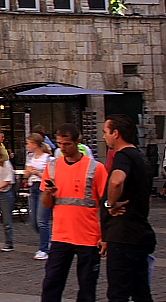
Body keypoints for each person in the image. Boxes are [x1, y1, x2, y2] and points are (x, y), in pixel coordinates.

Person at [39, 123, 108, 302]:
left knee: (87, 286)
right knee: (51, 283)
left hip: (88, 236)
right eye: (60, 144)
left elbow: (106, 204)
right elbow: (46, 204)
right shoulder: (53, 167)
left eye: (67, 144)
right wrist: (48, 193)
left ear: (78, 142)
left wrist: (105, 235)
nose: (63, 148)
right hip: (61, 236)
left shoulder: (95, 168)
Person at [101, 114, 156, 302]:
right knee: (141, 291)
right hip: (139, 232)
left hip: (124, 234)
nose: (103, 137)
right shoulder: (140, 157)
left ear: (116, 133)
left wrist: (110, 204)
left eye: (105, 132)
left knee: (118, 292)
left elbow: (116, 181)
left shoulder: (123, 156)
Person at [25, 133, 53, 260]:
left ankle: (44, 249)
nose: (27, 146)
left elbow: (51, 178)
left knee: (42, 220)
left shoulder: (48, 158)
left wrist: (37, 173)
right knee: (34, 221)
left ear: (35, 145)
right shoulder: (30, 157)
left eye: (28, 144)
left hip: (43, 188)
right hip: (33, 188)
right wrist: (28, 172)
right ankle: (48, 238)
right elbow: (26, 175)